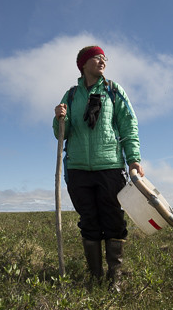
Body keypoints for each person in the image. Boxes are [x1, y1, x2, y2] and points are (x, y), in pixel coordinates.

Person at [52, 45, 144, 289]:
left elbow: (128, 125)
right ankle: (95, 277)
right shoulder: (71, 96)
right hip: (78, 168)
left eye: (104, 58)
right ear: (83, 64)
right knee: (89, 221)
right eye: (96, 57)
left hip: (110, 166)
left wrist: (134, 158)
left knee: (114, 219)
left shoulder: (114, 91)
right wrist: (59, 118)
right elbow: (61, 133)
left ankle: (115, 277)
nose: (102, 61)